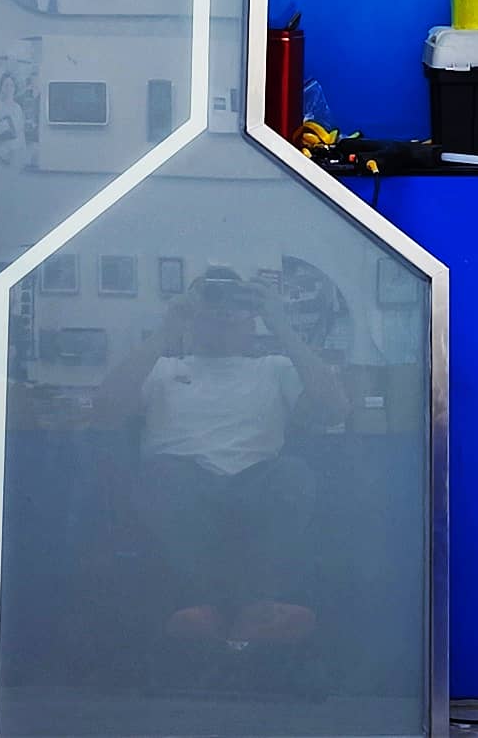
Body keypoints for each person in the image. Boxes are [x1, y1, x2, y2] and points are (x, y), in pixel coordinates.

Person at [98, 270, 348, 646]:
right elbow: (105, 411)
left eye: (236, 301)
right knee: (161, 478)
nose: (223, 311)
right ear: (193, 315)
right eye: (212, 299)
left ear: (252, 319)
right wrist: (168, 330)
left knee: (293, 475)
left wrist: (281, 325)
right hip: (180, 478)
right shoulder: (163, 369)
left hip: (256, 481)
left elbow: (335, 410)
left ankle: (233, 612)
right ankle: (236, 610)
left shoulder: (274, 367)